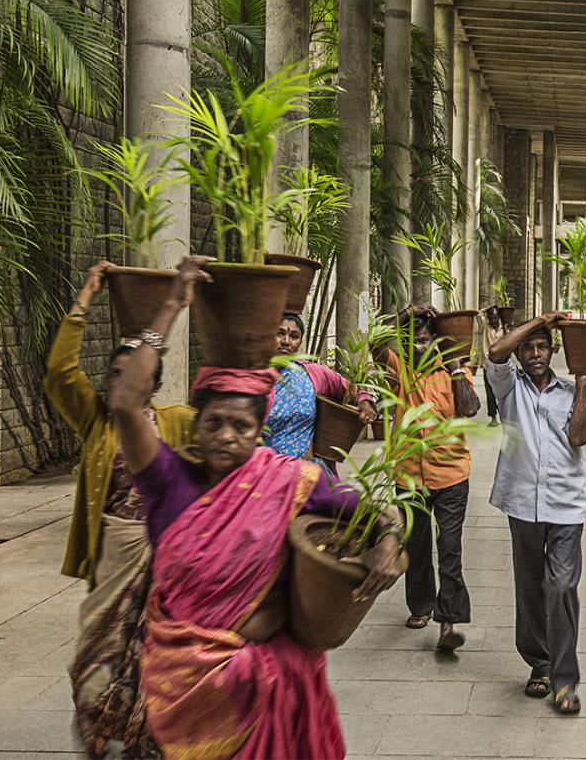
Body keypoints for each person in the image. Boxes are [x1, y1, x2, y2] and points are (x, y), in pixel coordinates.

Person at [108, 256, 404, 759]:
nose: (226, 436)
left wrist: (389, 544)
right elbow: (124, 402)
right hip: (180, 686)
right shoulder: (166, 481)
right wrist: (171, 305)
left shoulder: (289, 479)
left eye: (241, 427)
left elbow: (374, 513)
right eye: (214, 423)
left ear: (259, 430)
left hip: (266, 692)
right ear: (194, 426)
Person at [43, 259, 193, 759]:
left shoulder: (177, 422)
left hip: (166, 569)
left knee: (159, 668)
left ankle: (145, 743)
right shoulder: (95, 422)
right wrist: (87, 294)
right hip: (114, 561)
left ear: (152, 383)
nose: (120, 382)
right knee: (92, 667)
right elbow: (61, 371)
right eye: (113, 374)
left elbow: (228, 431)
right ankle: (104, 732)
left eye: (133, 374)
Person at [483, 311, 586, 716]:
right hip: (521, 502)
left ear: (553, 351)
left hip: (567, 504)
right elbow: (494, 351)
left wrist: (585, 386)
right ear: (520, 353)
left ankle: (565, 677)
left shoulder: (570, 391)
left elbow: (579, 436)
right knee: (531, 586)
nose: (535, 353)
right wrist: (541, 320)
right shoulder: (507, 388)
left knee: (561, 586)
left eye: (542, 346)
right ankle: (539, 662)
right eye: (528, 347)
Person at [384, 305, 480, 652]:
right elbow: (375, 344)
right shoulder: (400, 369)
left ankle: (448, 622)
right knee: (418, 546)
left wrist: (455, 367)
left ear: (437, 339)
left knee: (450, 551)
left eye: (427, 337)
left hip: (451, 474)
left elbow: (470, 408)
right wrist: (405, 314)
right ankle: (421, 606)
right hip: (409, 475)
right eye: (414, 338)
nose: (421, 343)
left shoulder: (455, 370)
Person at [265, 312, 377, 466]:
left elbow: (351, 390)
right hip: (263, 474)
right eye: (280, 334)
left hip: (305, 474)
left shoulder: (313, 373)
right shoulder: (254, 377)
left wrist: (364, 402)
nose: (286, 341)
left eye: (294, 336)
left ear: (300, 341)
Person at [478, 305, 506, 426]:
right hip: (488, 364)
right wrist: (488, 308)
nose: (493, 320)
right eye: (491, 318)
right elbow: (478, 314)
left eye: (495, 317)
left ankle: (504, 416)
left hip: (501, 364)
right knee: (490, 392)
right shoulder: (485, 327)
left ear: (498, 317)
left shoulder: (503, 328)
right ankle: (493, 417)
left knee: (502, 392)